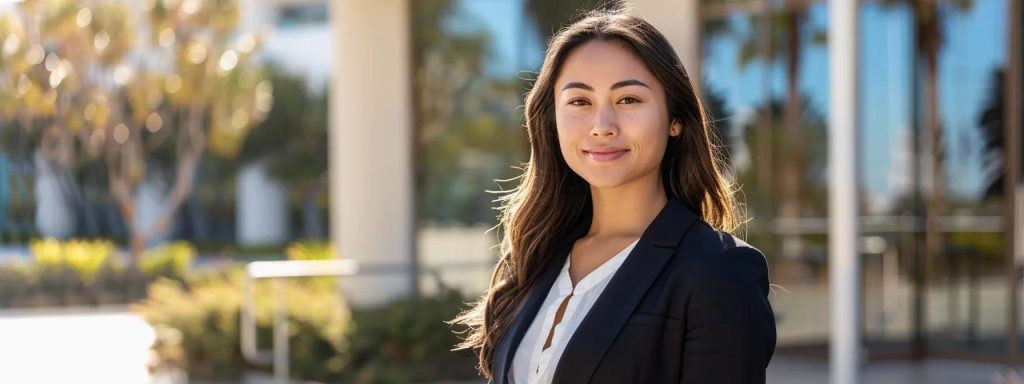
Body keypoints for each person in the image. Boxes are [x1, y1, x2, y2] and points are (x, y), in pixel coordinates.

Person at [452, 7, 776, 384]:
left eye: (628, 100)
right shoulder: (536, 257)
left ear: (675, 120)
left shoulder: (718, 270)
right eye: (579, 102)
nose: (601, 126)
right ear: (552, 120)